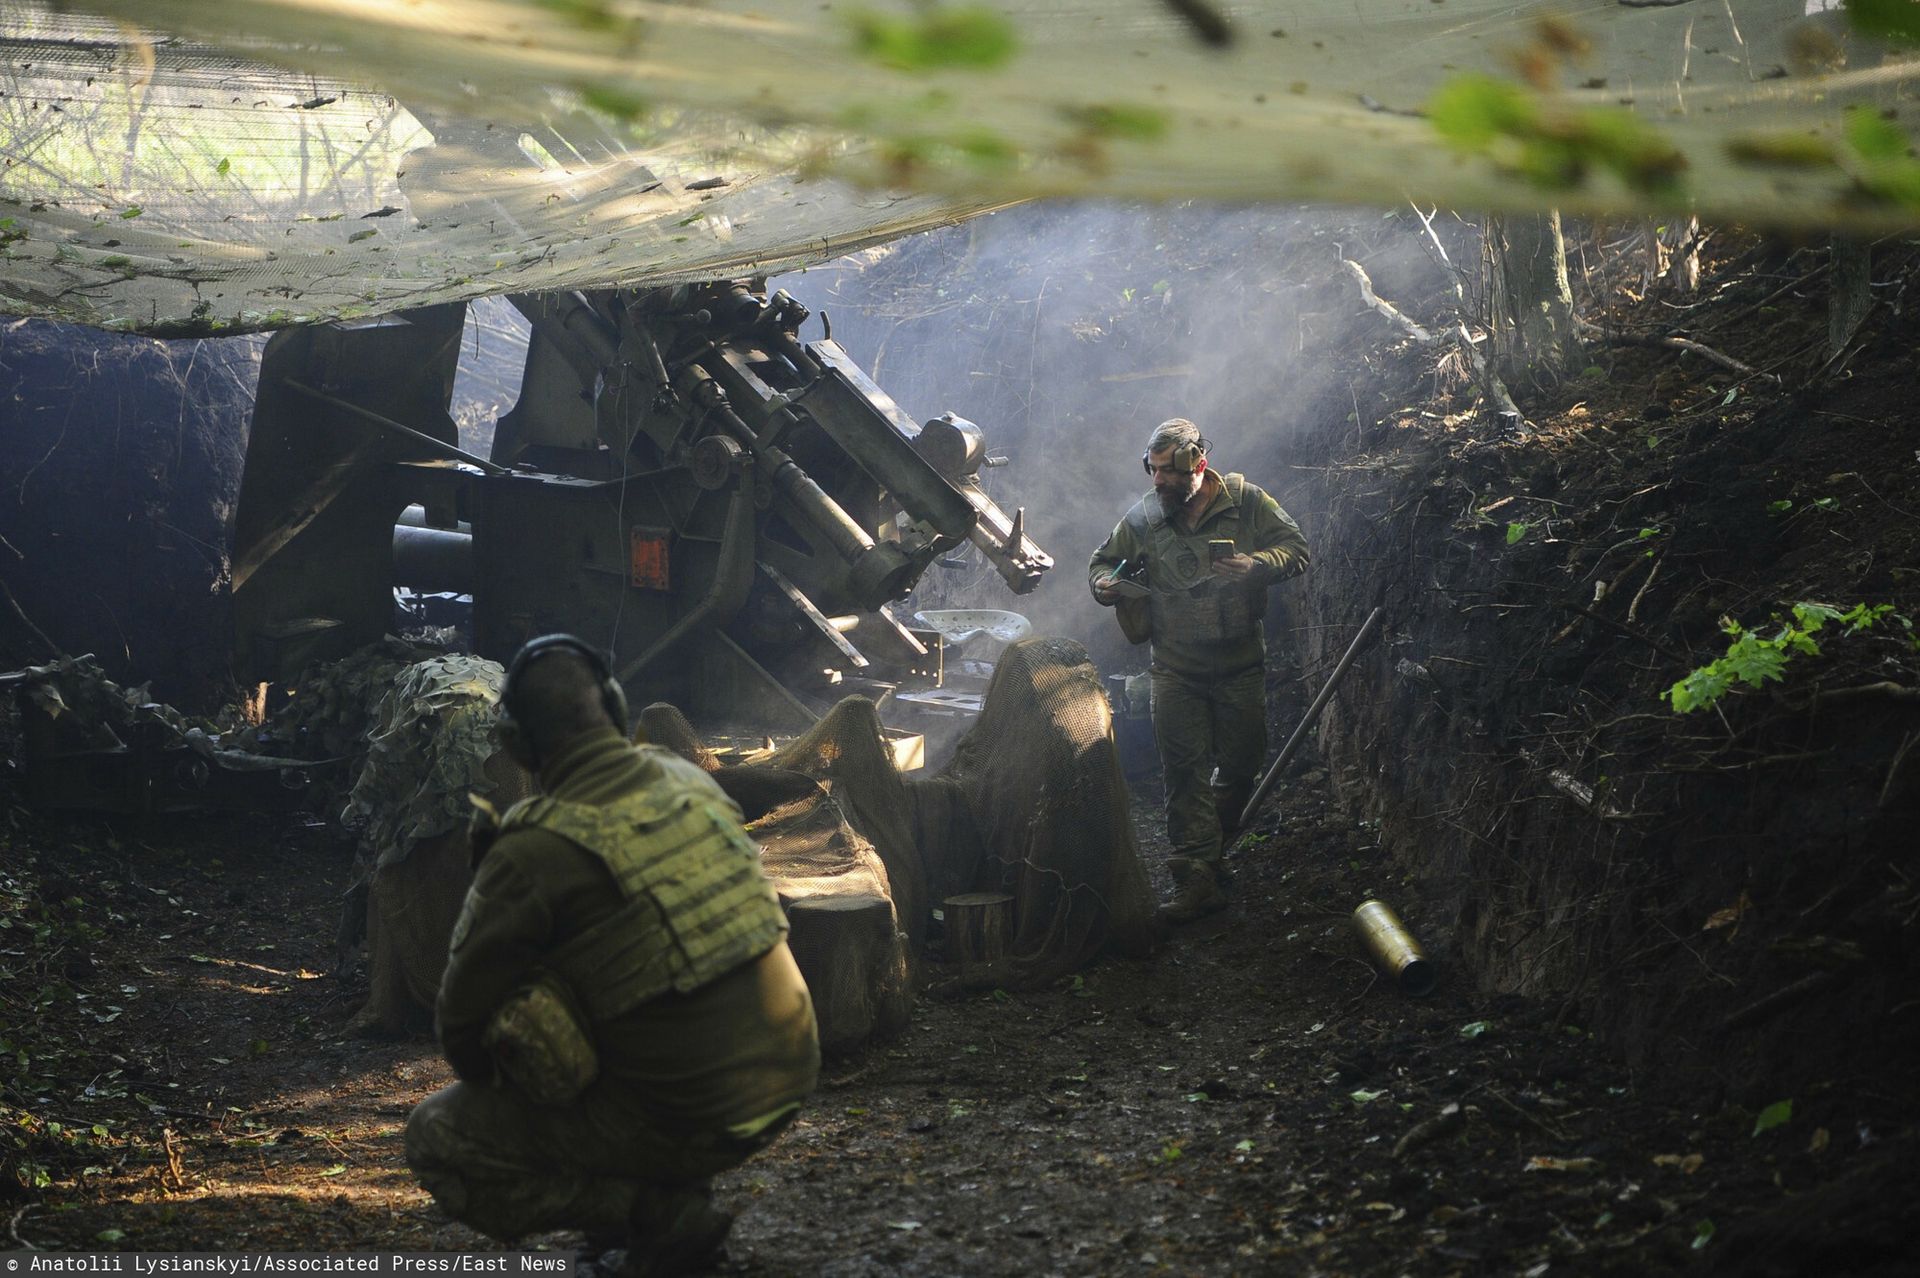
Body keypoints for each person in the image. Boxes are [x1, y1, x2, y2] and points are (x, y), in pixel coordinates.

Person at [404, 635, 819, 1277]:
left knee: (437, 1135)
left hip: (691, 1107)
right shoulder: (686, 781)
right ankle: (653, 1192)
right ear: (617, 709)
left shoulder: (531, 848)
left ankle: (652, 1210)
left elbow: (461, 1033)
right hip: (790, 1072)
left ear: (515, 745)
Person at [1089, 419, 1310, 924]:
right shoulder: (1144, 518)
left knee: (1240, 765)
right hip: (1175, 669)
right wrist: (1104, 583)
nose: (1159, 481)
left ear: (1198, 464)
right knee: (1184, 772)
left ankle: (1208, 853)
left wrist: (1256, 564)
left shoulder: (1246, 502)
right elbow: (1102, 562)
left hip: (1239, 666)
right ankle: (1195, 876)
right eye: (1154, 470)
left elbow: (1297, 550)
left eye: (1169, 471)